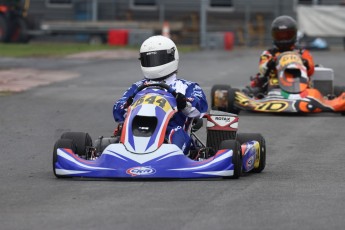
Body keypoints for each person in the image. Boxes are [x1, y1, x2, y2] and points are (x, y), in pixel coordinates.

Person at [113, 35, 208, 155]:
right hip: (137, 129)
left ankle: (171, 156)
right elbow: (118, 110)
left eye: (158, 59)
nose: (154, 64)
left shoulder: (187, 87)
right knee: (122, 131)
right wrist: (127, 104)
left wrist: (183, 104)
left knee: (175, 132)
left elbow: (199, 110)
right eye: (150, 60)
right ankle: (128, 152)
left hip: (172, 130)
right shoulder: (137, 87)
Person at [247, 15, 315, 95]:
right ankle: (259, 96)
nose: (284, 38)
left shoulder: (302, 53)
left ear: (294, 35)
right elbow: (262, 70)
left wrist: (304, 62)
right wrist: (271, 62)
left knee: (312, 85)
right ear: (274, 36)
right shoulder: (268, 54)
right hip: (275, 83)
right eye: (280, 35)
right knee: (259, 84)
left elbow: (311, 70)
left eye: (287, 35)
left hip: (300, 82)